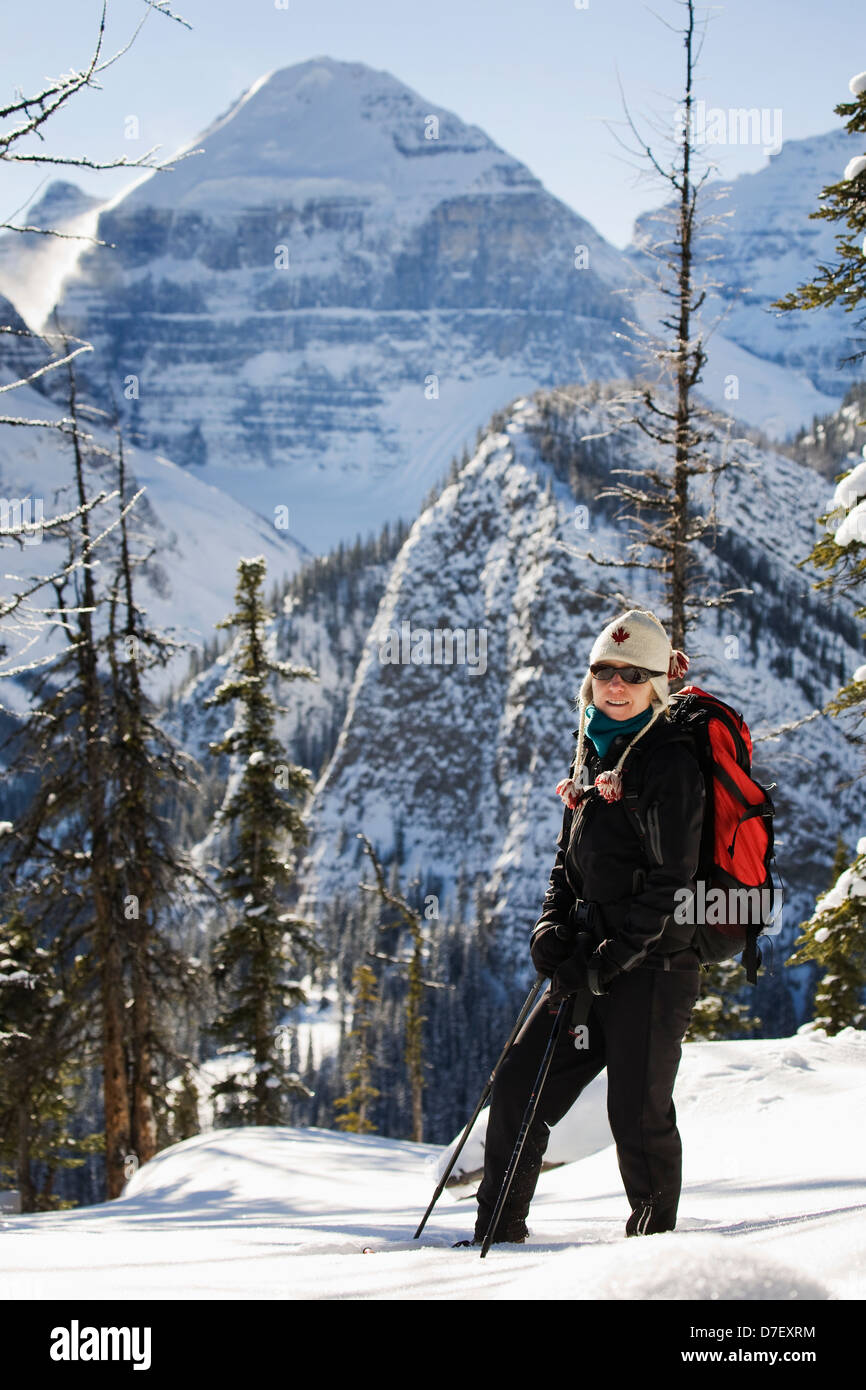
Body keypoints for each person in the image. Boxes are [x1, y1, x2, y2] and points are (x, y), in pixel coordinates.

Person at [464, 608, 706, 1246]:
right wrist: (551, 926)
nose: (616, 685)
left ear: (656, 684)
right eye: (604, 671)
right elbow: (567, 858)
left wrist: (611, 959)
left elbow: (671, 880)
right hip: (588, 956)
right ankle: (496, 1232)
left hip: (653, 964)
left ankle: (652, 1255)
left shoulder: (669, 761)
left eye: (632, 674)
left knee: (637, 1112)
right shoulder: (595, 745)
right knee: (520, 1085)